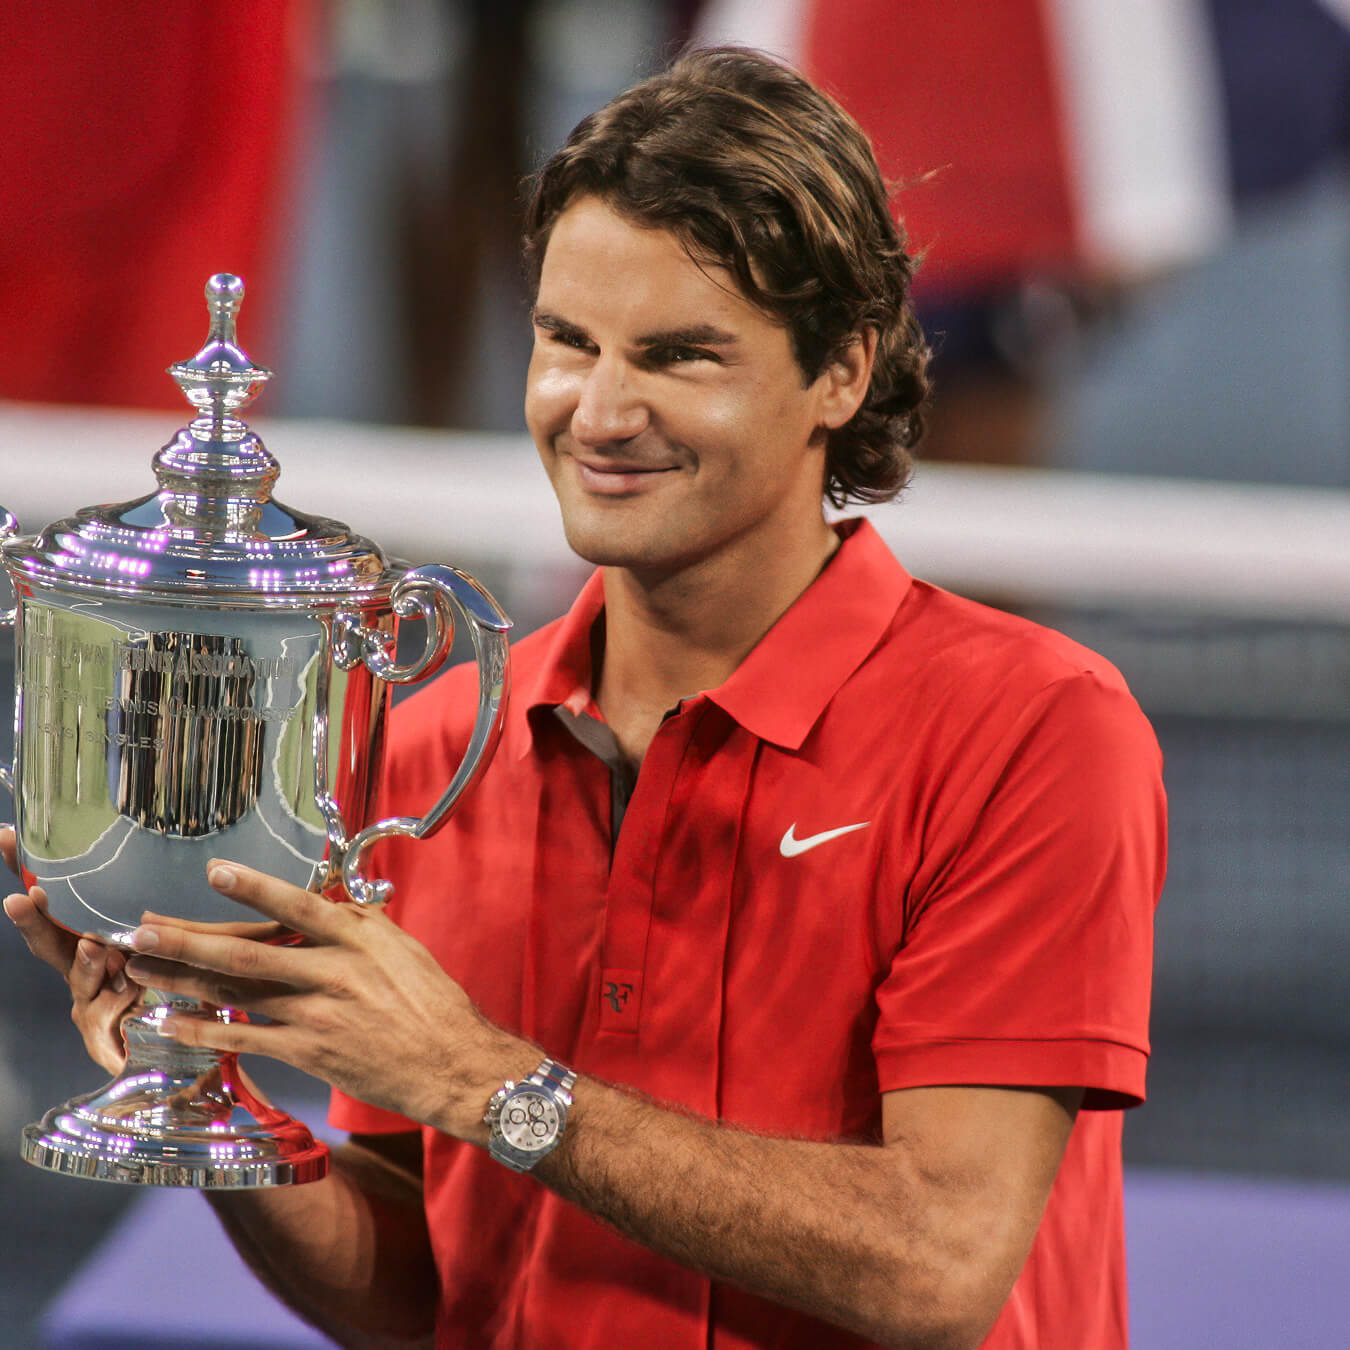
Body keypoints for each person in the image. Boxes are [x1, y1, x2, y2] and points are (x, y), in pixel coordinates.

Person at [3, 46, 1165, 1350]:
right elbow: (424, 1285)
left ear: (840, 369)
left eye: (678, 355)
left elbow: (936, 1263)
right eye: (566, 340)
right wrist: (199, 1083)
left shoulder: (1033, 729)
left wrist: (486, 1079)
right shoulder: (435, 745)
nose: (599, 410)